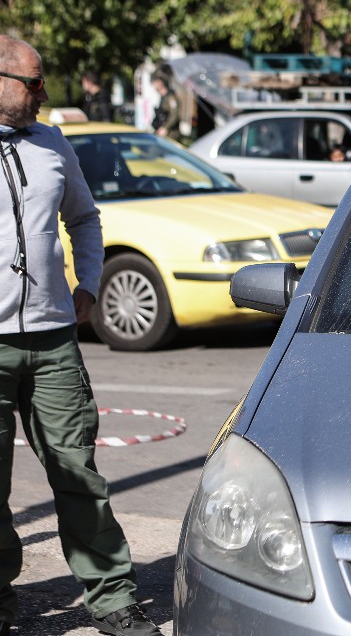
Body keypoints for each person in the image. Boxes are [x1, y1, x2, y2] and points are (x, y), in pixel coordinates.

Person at [0, 36, 163, 634]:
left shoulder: (51, 142)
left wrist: (88, 285)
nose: (45, 93)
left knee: (79, 475)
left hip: (53, 340)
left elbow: (84, 218)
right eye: (33, 83)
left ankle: (113, 599)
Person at [150, 76, 181, 142]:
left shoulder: (171, 97)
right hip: (163, 132)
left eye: (155, 83)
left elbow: (174, 115)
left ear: (160, 83)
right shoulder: (162, 97)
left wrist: (165, 128)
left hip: (171, 134)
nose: (154, 86)